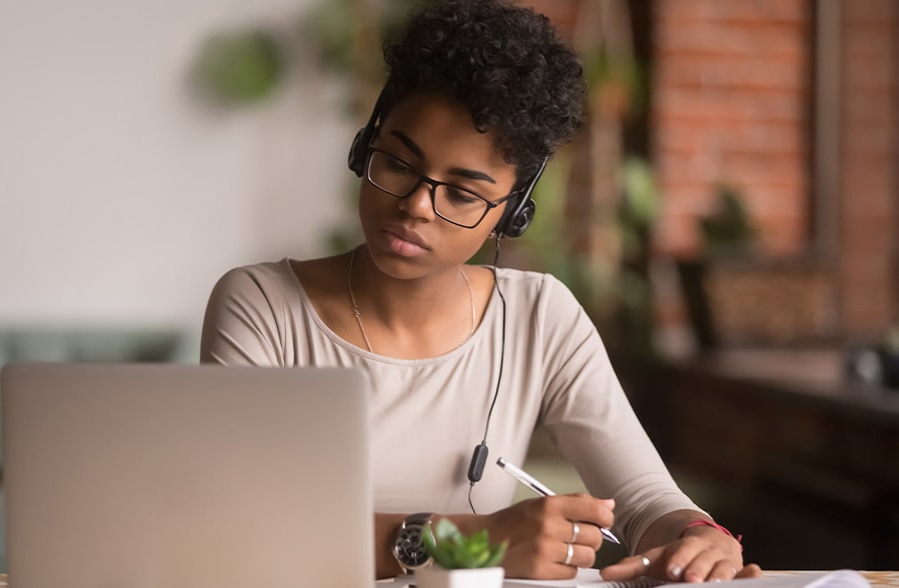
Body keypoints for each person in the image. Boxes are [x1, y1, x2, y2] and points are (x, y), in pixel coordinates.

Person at [201, 0, 762, 582]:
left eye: (463, 195)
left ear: (511, 214)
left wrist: (700, 538)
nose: (416, 206)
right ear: (364, 144)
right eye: (396, 162)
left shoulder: (540, 317)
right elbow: (241, 524)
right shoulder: (262, 305)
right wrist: (472, 538)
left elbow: (645, 499)